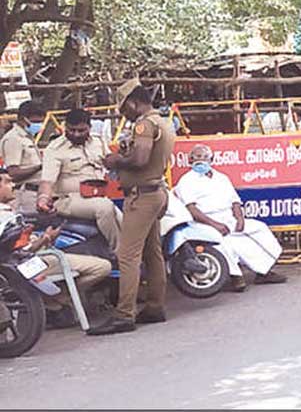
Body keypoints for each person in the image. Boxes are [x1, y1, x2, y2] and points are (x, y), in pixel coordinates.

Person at [87, 78, 175, 336]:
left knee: (127, 256)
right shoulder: (163, 122)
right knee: (152, 253)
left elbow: (139, 159)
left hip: (142, 197)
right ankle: (155, 306)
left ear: (135, 103)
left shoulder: (144, 125)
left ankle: (123, 314)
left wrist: (116, 160)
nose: (122, 114)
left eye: (124, 108)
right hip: (156, 191)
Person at [0, 167, 111, 329]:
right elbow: (13, 253)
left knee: (103, 267)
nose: (13, 185)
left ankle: (55, 301)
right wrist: (44, 239)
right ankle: (52, 302)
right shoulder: (3, 217)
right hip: (27, 262)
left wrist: (45, 239)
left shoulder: (10, 211)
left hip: (39, 257)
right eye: (8, 182)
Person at [174, 144, 286, 292]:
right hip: (204, 223)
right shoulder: (187, 181)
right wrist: (215, 225)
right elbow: (192, 209)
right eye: (196, 157)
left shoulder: (222, 178)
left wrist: (239, 218)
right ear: (190, 161)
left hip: (228, 218)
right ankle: (236, 277)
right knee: (222, 242)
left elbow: (235, 201)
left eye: (204, 157)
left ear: (211, 159)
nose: (200, 161)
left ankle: (263, 272)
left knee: (259, 228)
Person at [36, 108, 122, 251]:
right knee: (104, 208)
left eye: (81, 130)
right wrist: (43, 198)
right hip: (68, 200)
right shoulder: (55, 148)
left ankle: (132, 255)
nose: (76, 134)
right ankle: (120, 254)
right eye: (71, 130)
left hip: (97, 196)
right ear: (65, 127)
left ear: (89, 128)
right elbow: (47, 181)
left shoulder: (98, 142)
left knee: (124, 220)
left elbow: (110, 162)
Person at [0, 100, 45, 213]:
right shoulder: (13, 139)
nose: (38, 125)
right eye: (35, 121)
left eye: (41, 122)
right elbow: (13, 173)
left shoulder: (28, 137)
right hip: (26, 194)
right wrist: (40, 167)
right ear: (22, 119)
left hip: (38, 192)